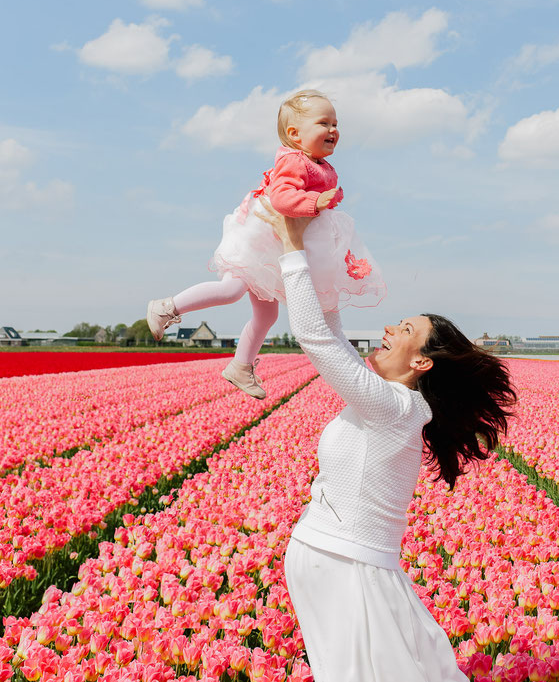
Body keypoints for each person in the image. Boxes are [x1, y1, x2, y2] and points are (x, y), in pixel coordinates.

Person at [254, 196, 517, 682]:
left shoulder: (396, 408)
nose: (388, 328)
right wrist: (318, 255)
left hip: (349, 567)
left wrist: (293, 247)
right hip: (335, 561)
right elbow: (329, 326)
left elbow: (317, 340)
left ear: (422, 362)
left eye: (406, 328)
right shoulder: (388, 400)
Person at [146, 90, 385, 399]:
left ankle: (240, 367)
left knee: (267, 316)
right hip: (261, 241)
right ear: (294, 134)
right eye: (323, 123)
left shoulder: (319, 164)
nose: (333, 130)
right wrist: (316, 200)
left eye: (335, 123)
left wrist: (323, 201)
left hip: (276, 247)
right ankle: (167, 307)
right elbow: (282, 198)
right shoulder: (294, 160)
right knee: (232, 289)